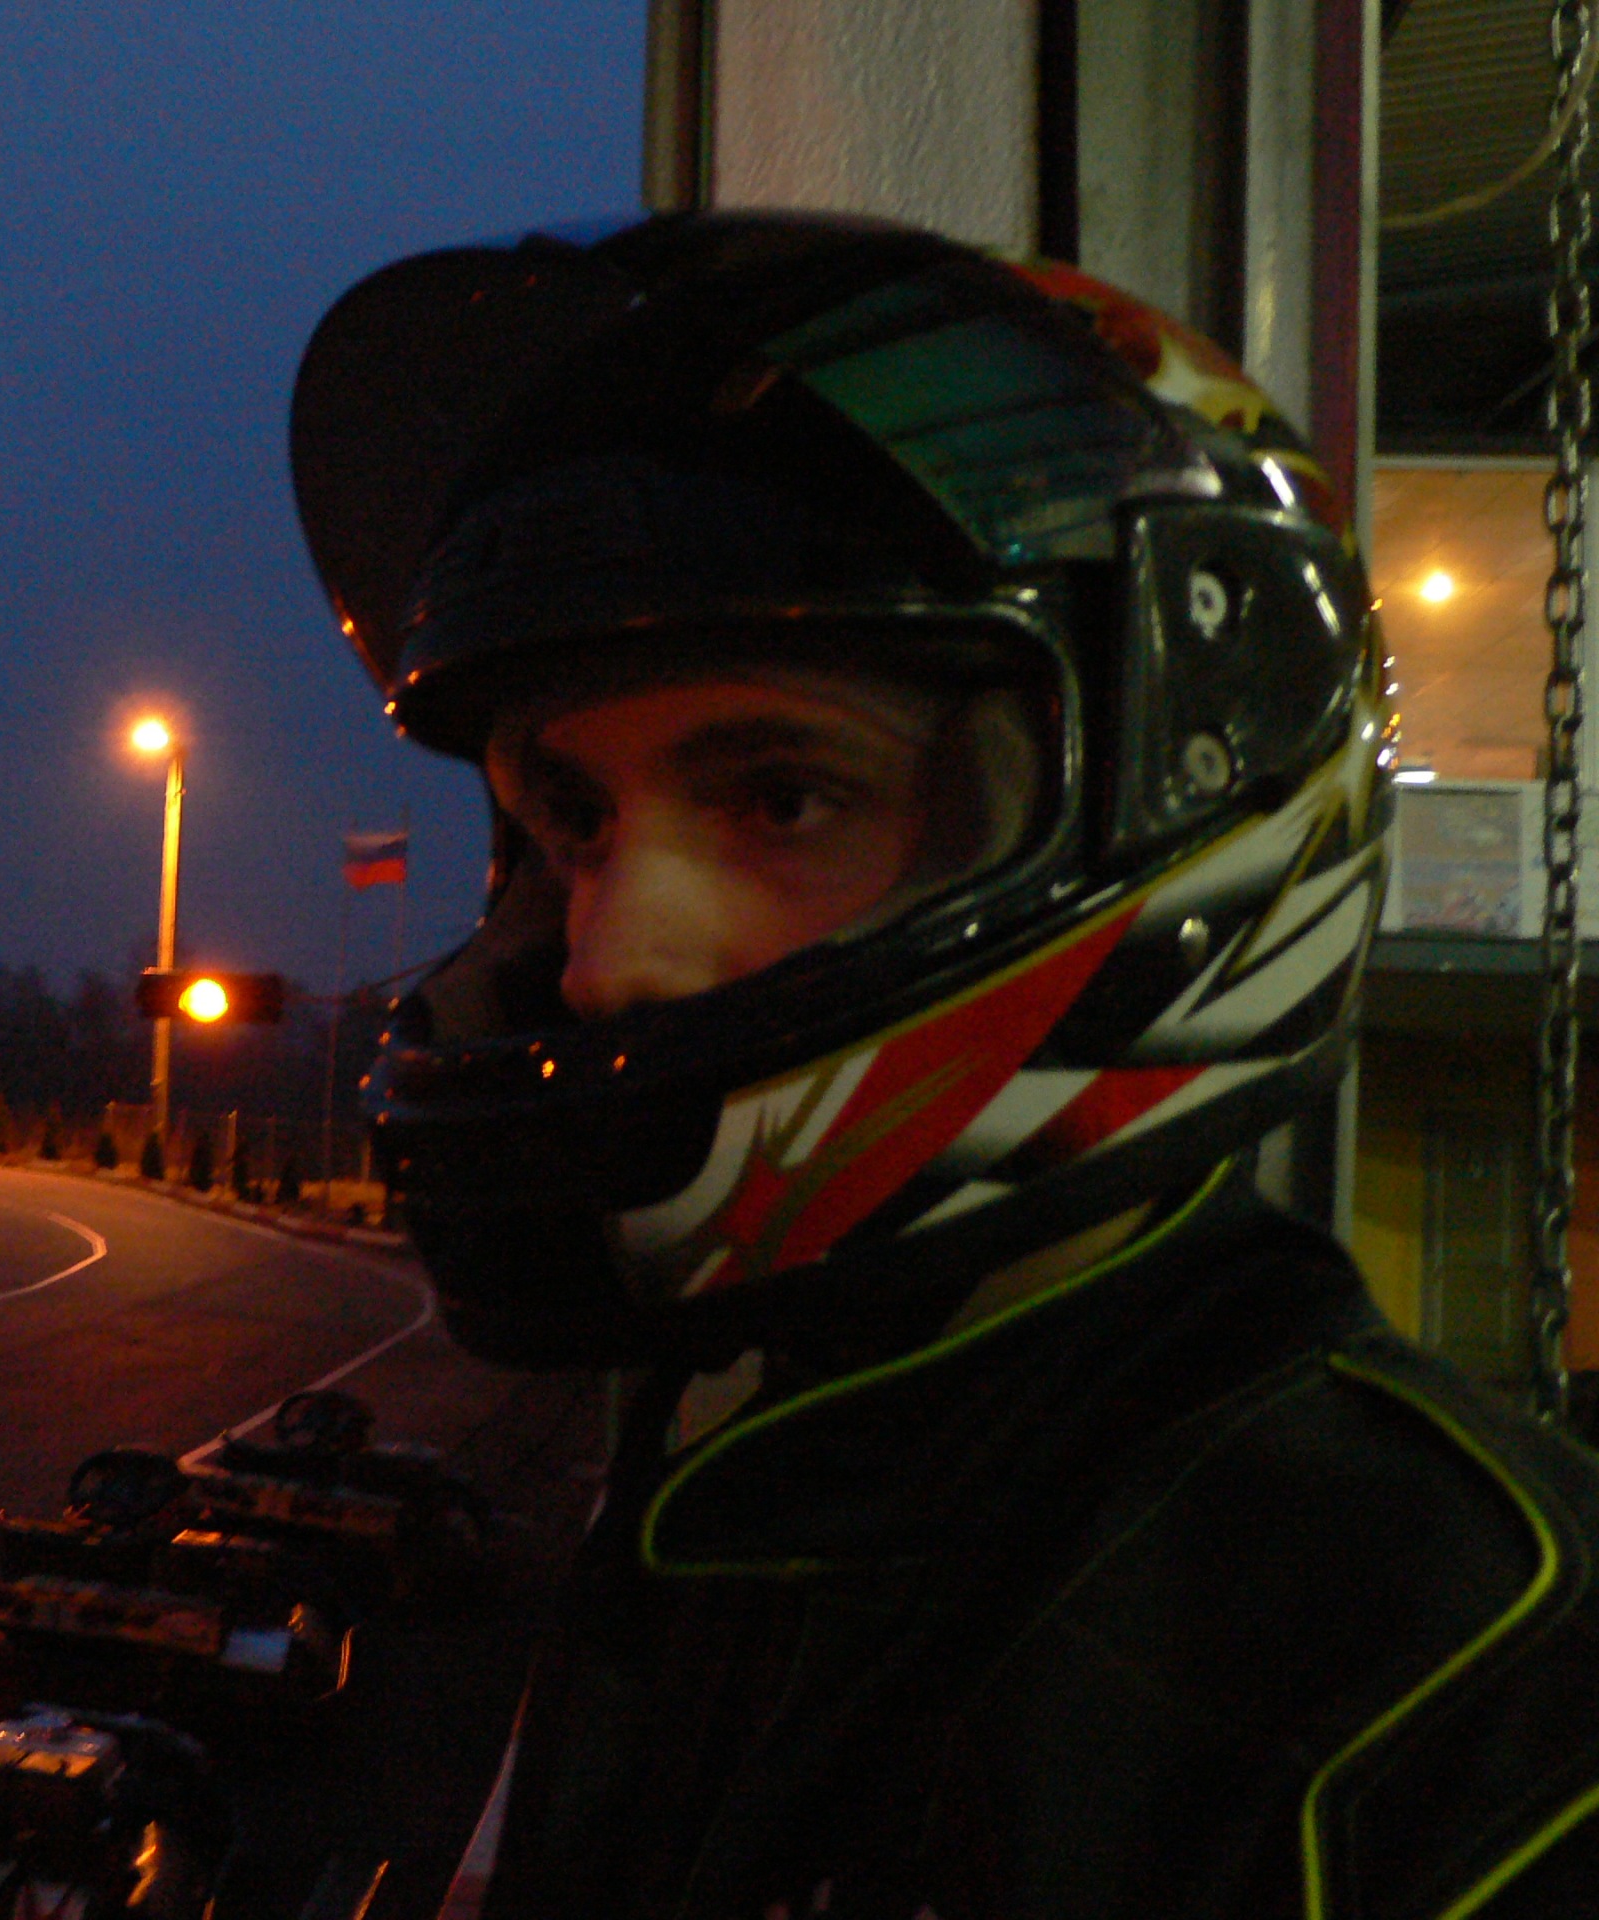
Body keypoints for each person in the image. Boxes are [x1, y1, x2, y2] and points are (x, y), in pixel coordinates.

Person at [289, 213, 1599, 1918]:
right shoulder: (756, 1472)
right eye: (575, 823)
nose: (610, 963)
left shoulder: (1471, 1681)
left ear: (1167, 798)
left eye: (782, 798)